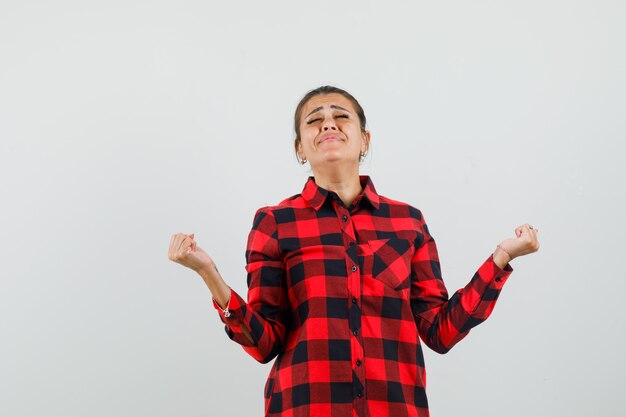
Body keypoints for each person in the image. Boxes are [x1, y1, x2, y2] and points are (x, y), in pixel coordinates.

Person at [167, 85, 540, 417]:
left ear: (364, 140)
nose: (328, 124)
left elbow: (440, 331)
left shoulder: (408, 222)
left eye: (340, 116)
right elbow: (265, 342)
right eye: (315, 120)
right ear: (300, 148)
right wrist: (208, 274)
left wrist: (501, 259)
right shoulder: (274, 222)